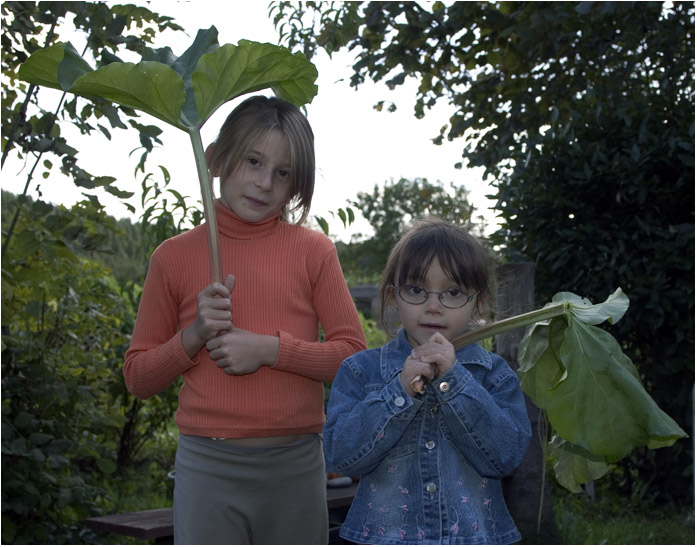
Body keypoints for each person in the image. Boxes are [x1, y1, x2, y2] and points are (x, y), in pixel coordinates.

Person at [123, 95, 367, 545]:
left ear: (298, 185)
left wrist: (270, 350)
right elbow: (138, 377)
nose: (264, 183)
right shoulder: (173, 257)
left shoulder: (314, 252)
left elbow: (354, 358)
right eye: (253, 161)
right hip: (206, 464)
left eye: (283, 172)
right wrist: (193, 336)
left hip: (297, 462)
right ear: (216, 158)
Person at [323, 217, 531, 545]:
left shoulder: (494, 376)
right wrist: (398, 392)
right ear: (394, 296)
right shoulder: (361, 372)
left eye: (452, 292)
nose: (433, 307)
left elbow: (503, 457)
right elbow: (342, 456)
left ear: (479, 301)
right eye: (417, 290)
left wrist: (456, 382)